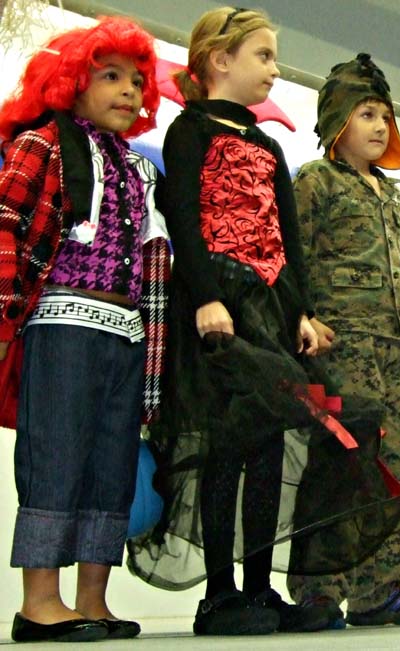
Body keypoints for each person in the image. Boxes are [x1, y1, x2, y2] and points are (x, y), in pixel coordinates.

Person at [124, 7, 393, 636]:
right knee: (227, 445)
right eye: (264, 56)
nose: (274, 69)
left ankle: (259, 586)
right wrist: (206, 297)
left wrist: (300, 309)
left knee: (270, 446)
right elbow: (187, 222)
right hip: (222, 308)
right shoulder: (190, 132)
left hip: (271, 308)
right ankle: (219, 593)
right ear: (221, 61)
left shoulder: (269, 146)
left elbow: (288, 239)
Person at [0, 16, 169, 642]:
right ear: (71, 80)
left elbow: (154, 266)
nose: (129, 91)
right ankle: (39, 602)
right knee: (55, 457)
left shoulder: (139, 171)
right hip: (61, 323)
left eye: (136, 82)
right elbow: (5, 223)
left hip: (125, 332)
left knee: (112, 463)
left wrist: (156, 360)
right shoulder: (41, 144)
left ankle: (92, 599)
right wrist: (4, 309)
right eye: (111, 77)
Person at [286, 53, 400, 627]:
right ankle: (319, 590)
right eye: (367, 114)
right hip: (341, 349)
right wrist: (301, 318)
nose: (381, 127)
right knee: (341, 468)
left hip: (397, 351)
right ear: (337, 122)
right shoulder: (313, 181)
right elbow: (291, 259)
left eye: (386, 116)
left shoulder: (391, 194)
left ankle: (378, 588)